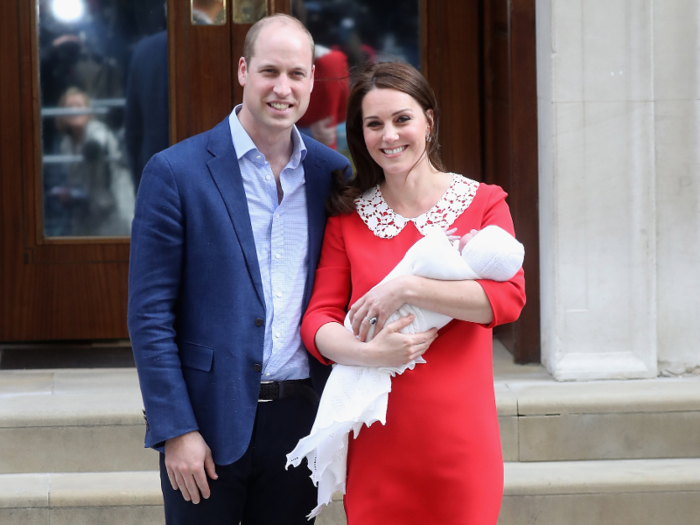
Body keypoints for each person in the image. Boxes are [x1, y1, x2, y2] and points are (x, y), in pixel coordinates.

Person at [127, 14, 350, 525]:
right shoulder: (175, 172)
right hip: (205, 423)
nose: (283, 88)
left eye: (297, 74)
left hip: (300, 419)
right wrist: (175, 429)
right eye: (270, 71)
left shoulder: (331, 174)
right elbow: (150, 314)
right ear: (243, 70)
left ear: (312, 81)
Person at [299, 61, 526, 524]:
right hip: (378, 443)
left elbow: (506, 300)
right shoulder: (347, 217)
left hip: (460, 442)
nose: (389, 136)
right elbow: (317, 320)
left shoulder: (483, 203)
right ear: (359, 134)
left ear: (429, 121)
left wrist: (406, 287)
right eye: (373, 124)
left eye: (402, 119)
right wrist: (370, 353)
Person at [48, 87, 134, 236]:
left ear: (88, 111)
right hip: (84, 213)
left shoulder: (97, 131)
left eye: (78, 106)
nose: (74, 111)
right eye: (69, 107)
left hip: (112, 209)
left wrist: (92, 148)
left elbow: (97, 142)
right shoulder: (65, 144)